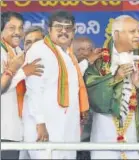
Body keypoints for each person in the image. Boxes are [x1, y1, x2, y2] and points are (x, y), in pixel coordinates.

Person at [84, 15, 139, 159]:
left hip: (135, 139)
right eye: (133, 31)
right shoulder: (99, 62)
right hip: (104, 138)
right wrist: (115, 78)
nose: (138, 36)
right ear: (117, 34)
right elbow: (91, 98)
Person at [22, 10, 89, 159]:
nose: (64, 31)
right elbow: (34, 89)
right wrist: (40, 123)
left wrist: (88, 61)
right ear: (49, 29)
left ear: (74, 31)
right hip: (45, 128)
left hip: (66, 129)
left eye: (68, 28)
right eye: (59, 27)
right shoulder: (39, 50)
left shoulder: (67, 54)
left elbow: (72, 82)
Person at [0, 11, 43, 160]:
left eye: (20, 27)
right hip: (4, 131)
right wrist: (22, 72)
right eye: (12, 28)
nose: (17, 32)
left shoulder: (18, 51)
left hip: (19, 130)